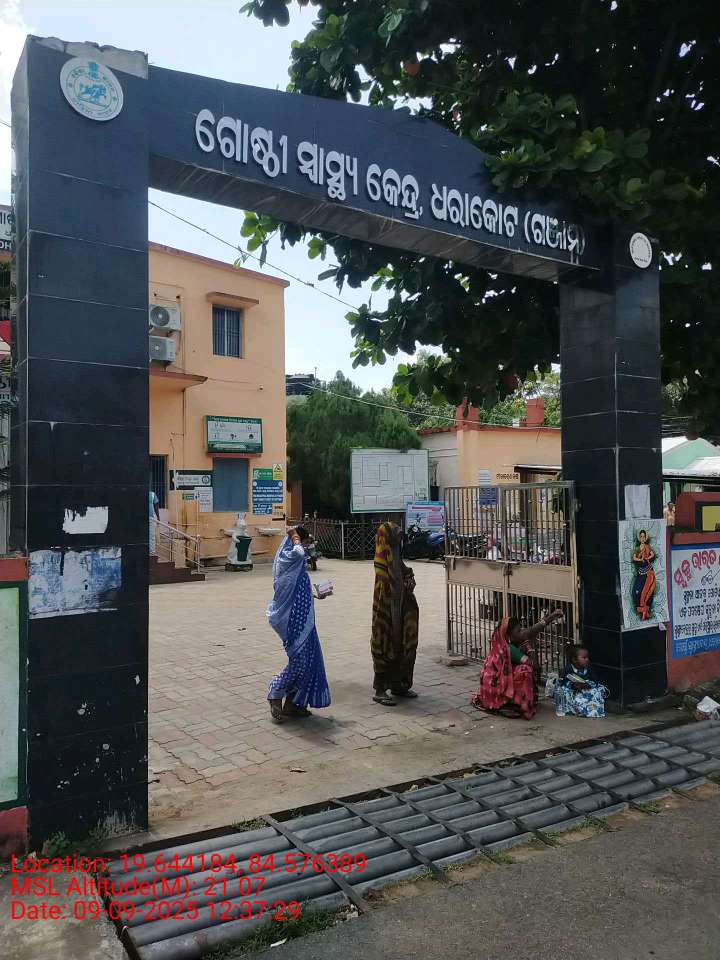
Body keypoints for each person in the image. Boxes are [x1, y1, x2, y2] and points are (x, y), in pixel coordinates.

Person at [266, 526, 331, 723]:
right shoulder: (287, 558)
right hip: (292, 620)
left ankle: (293, 704)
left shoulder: (296, 563)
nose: (306, 547)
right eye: (304, 542)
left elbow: (298, 588)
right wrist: (294, 535)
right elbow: (299, 552)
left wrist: (317, 595)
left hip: (306, 620)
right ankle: (275, 691)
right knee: (299, 661)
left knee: (310, 660)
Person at [471, 610, 564, 719]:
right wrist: (530, 647)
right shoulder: (509, 648)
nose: (521, 632)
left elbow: (532, 630)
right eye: (518, 631)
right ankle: (512, 704)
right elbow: (534, 666)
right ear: (509, 635)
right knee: (525, 671)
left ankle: (512, 700)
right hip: (495, 687)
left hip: (491, 685)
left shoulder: (503, 642)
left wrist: (552, 616)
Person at [371, 521, 419, 706]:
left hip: (402, 608)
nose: (399, 536)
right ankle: (380, 688)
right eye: (395, 533)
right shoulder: (381, 564)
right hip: (387, 610)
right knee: (384, 644)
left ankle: (399, 685)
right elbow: (385, 581)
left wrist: (409, 579)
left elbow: (403, 570)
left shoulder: (397, 555)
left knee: (405, 644)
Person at [555, 645, 608, 718]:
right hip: (574, 690)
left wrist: (587, 685)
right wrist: (573, 685)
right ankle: (576, 709)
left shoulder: (589, 668)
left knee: (597, 691)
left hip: (586, 688)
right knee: (564, 691)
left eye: (587, 657)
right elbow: (563, 681)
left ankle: (591, 710)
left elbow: (596, 680)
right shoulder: (568, 669)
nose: (587, 660)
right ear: (575, 660)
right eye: (584, 658)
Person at [632, 529, 656, 621]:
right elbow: (634, 558)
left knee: (647, 592)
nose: (642, 538)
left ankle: (645, 612)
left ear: (645, 538)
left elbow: (652, 554)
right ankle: (644, 611)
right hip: (641, 573)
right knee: (639, 592)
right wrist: (640, 559)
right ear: (639, 538)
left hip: (649, 572)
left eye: (644, 536)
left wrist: (647, 558)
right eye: (641, 536)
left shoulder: (647, 546)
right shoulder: (638, 548)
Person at [149, 489, 159, 556]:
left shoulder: (152, 494)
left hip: (151, 518)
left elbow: (156, 506)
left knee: (152, 535)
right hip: (140, 517)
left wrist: (158, 517)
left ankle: (152, 552)